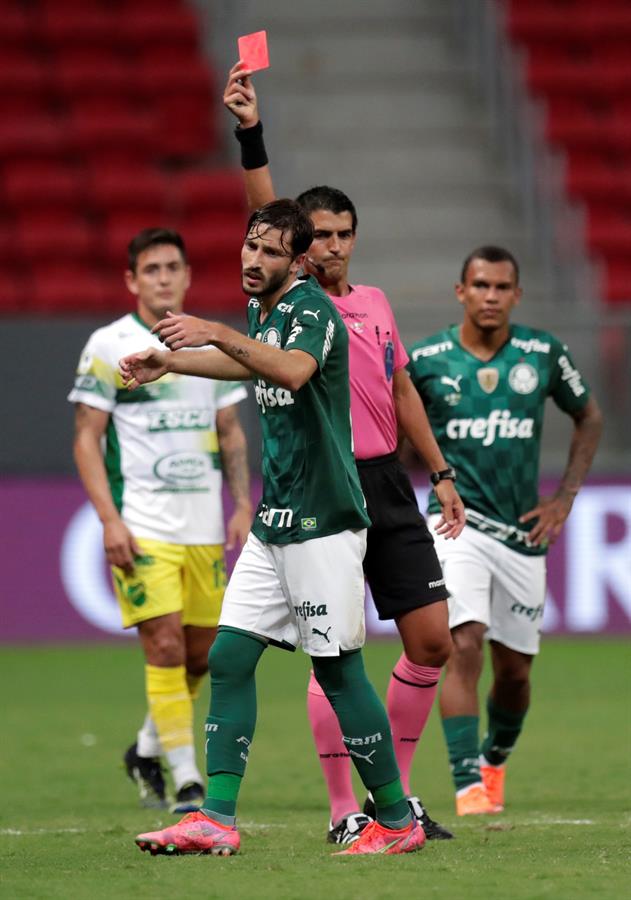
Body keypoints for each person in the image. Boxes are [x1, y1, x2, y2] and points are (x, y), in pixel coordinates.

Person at [125, 199, 426, 857]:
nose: (252, 259)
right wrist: (169, 364)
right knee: (231, 657)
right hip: (277, 517)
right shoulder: (266, 311)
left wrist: (212, 330)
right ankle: (215, 819)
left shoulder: (311, 308)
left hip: (324, 518)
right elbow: (251, 362)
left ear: (296, 261)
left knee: (339, 670)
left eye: (269, 251)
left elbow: (291, 369)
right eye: (248, 246)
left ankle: (398, 822)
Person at [221, 62, 466, 843]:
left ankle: (396, 798)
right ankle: (346, 809)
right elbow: (268, 213)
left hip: (385, 482)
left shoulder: (376, 303)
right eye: (315, 235)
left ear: (356, 239)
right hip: (323, 482)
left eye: (339, 234)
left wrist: (444, 473)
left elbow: (400, 393)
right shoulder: (299, 301)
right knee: (335, 650)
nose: (327, 245)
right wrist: (250, 132)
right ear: (299, 250)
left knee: (430, 639)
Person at [406, 245, 603, 815]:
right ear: (460, 291)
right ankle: (467, 783)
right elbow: (396, 431)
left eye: (501, 287)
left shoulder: (542, 353)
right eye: (480, 285)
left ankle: (494, 760)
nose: (490, 296)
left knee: (514, 674)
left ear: (516, 294)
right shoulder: (427, 359)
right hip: (455, 525)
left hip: (522, 535)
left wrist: (564, 498)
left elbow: (588, 415)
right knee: (461, 642)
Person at [68, 228, 252, 814]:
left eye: (173, 266)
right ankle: (188, 782)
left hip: (202, 526)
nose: (164, 277)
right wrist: (109, 520)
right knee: (165, 645)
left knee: (202, 656)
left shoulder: (205, 343)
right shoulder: (107, 344)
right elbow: (86, 440)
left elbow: (230, 433)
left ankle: (146, 749)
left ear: (188, 275)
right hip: (143, 523)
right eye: (151, 269)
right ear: (132, 280)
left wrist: (243, 503)